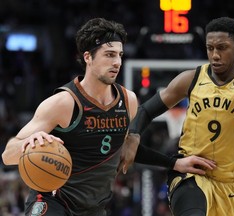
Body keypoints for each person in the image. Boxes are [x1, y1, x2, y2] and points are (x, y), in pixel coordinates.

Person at [1, 18, 216, 216]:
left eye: (120, 55)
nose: (117, 62)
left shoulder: (128, 101)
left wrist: (174, 163)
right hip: (54, 201)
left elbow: (122, 150)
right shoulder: (64, 103)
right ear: (88, 57)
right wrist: (27, 145)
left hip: (95, 208)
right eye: (109, 54)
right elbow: (7, 155)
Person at [119, 4, 234, 216]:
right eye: (210, 48)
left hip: (231, 184)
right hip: (190, 175)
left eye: (222, 47)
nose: (215, 55)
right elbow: (145, 110)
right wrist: (133, 135)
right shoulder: (192, 78)